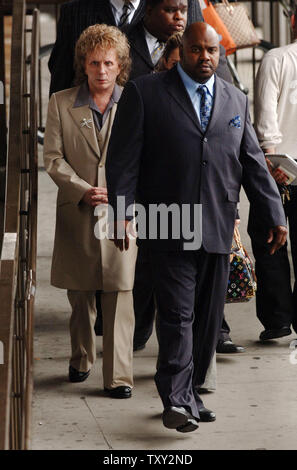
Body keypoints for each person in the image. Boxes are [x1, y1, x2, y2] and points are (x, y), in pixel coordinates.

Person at [106, 22, 287, 432]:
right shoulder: (146, 93)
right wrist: (121, 212)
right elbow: (122, 161)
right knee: (177, 315)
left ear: (220, 53)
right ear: (182, 50)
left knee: (207, 320)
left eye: (211, 51)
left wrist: (274, 213)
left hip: (218, 226)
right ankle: (176, 400)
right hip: (167, 224)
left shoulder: (233, 99)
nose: (204, 57)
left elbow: (254, 164)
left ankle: (190, 394)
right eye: (195, 50)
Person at [44, 24, 137, 399]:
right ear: (84, 64)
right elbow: (52, 158)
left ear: (120, 66)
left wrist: (123, 194)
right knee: (80, 293)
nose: (101, 70)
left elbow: (142, 157)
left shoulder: (135, 101)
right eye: (94, 62)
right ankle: (82, 357)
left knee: (121, 291)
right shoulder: (61, 103)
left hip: (122, 212)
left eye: (109, 63)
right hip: (77, 211)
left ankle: (119, 377)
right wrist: (83, 191)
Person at [251, 6, 297, 341]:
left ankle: (278, 320)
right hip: (281, 168)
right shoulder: (280, 59)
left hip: (278, 170)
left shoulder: (277, 59)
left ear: (292, 20)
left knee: (270, 242)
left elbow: (265, 115)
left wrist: (270, 157)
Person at [48, 0, 146, 95]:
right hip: (83, 108)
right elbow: (60, 72)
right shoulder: (74, 11)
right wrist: (57, 109)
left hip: (142, 108)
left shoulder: (157, 10)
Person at [127, 0, 232, 81]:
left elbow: (225, 96)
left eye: (183, 11)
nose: (179, 17)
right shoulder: (124, 42)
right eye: (170, 10)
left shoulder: (210, 52)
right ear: (149, 11)